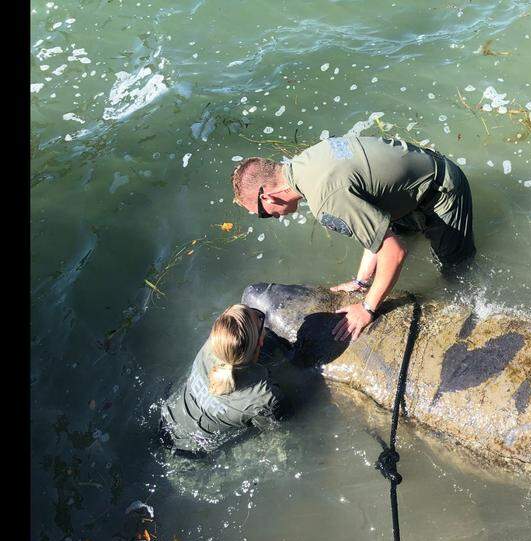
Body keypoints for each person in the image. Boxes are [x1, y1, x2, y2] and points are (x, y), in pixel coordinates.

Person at [231, 136, 475, 342]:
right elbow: (372, 228)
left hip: (442, 191)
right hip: (413, 179)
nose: (271, 218)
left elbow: (394, 253)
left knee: (457, 273)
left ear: (268, 198)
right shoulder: (307, 161)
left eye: (262, 214)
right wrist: (361, 282)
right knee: (393, 240)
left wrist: (367, 308)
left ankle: (471, 312)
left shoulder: (327, 202)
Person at [160, 304, 287, 456]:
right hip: (191, 450)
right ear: (260, 341)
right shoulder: (265, 396)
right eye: (260, 318)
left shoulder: (210, 346)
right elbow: (275, 426)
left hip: (166, 418)